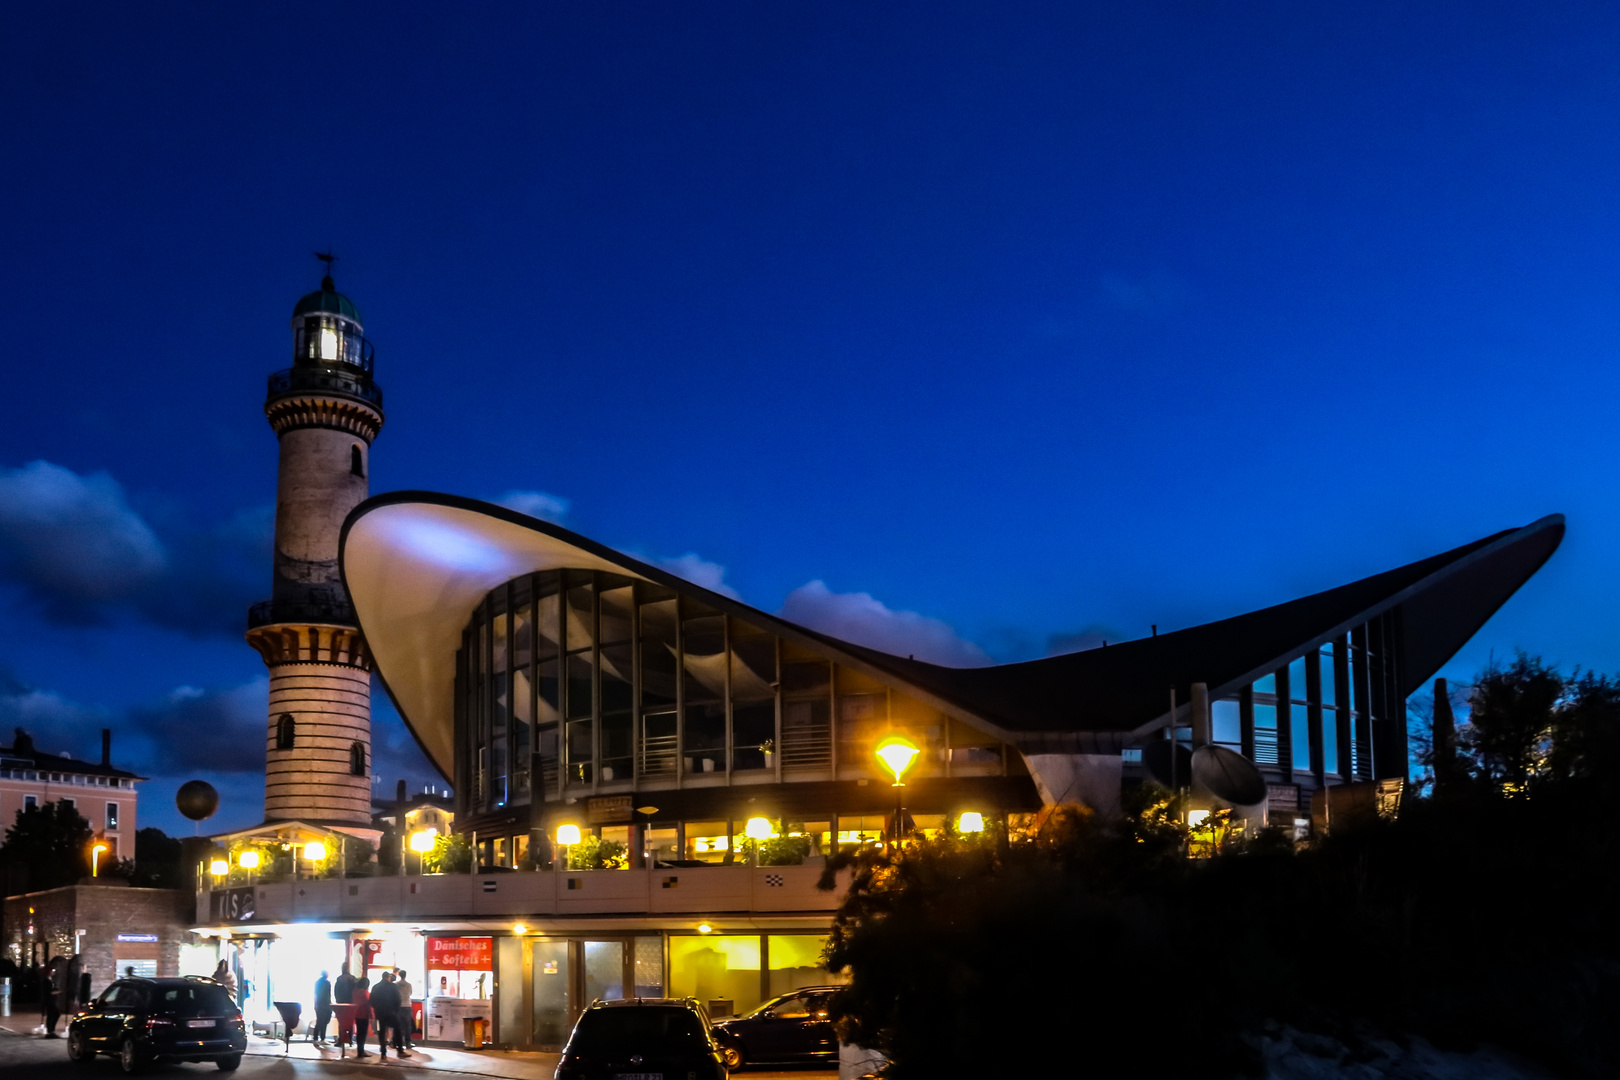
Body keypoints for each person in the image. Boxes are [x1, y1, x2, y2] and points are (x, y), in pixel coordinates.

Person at [370, 971, 407, 1058]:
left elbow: (371, 1000)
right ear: (388, 977)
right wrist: (396, 1010)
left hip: (380, 1013)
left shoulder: (375, 987)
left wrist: (377, 1009)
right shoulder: (393, 986)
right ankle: (400, 1050)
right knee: (397, 1029)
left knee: (382, 1031)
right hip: (391, 1012)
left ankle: (383, 1052)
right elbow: (398, 999)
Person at [41, 956, 63, 1038]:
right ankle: (50, 1031)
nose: (54, 972)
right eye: (52, 971)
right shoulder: (46, 981)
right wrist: (59, 992)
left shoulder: (51, 980)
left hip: (53, 1000)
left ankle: (51, 1030)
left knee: (55, 1014)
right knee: (52, 1014)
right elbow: (49, 992)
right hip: (49, 1001)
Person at [351, 976, 372, 1058]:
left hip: (357, 1014)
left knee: (359, 1033)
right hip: (364, 1014)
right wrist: (371, 1015)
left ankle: (359, 1050)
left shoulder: (354, 992)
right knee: (363, 1033)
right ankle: (361, 1050)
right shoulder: (365, 992)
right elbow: (367, 1004)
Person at [394, 969, 414, 1050]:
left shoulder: (395, 984)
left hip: (398, 1007)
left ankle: (396, 1042)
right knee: (407, 1026)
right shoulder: (409, 985)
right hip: (407, 1006)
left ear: (399, 975)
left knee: (398, 1025)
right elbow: (410, 993)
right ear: (405, 976)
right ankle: (408, 1043)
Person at [312, 970, 332, 1045]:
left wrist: (316, 1004)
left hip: (321, 1004)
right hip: (324, 1005)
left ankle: (318, 1038)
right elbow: (327, 995)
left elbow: (316, 995)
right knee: (322, 1022)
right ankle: (320, 1038)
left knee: (321, 1021)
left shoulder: (318, 982)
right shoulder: (326, 983)